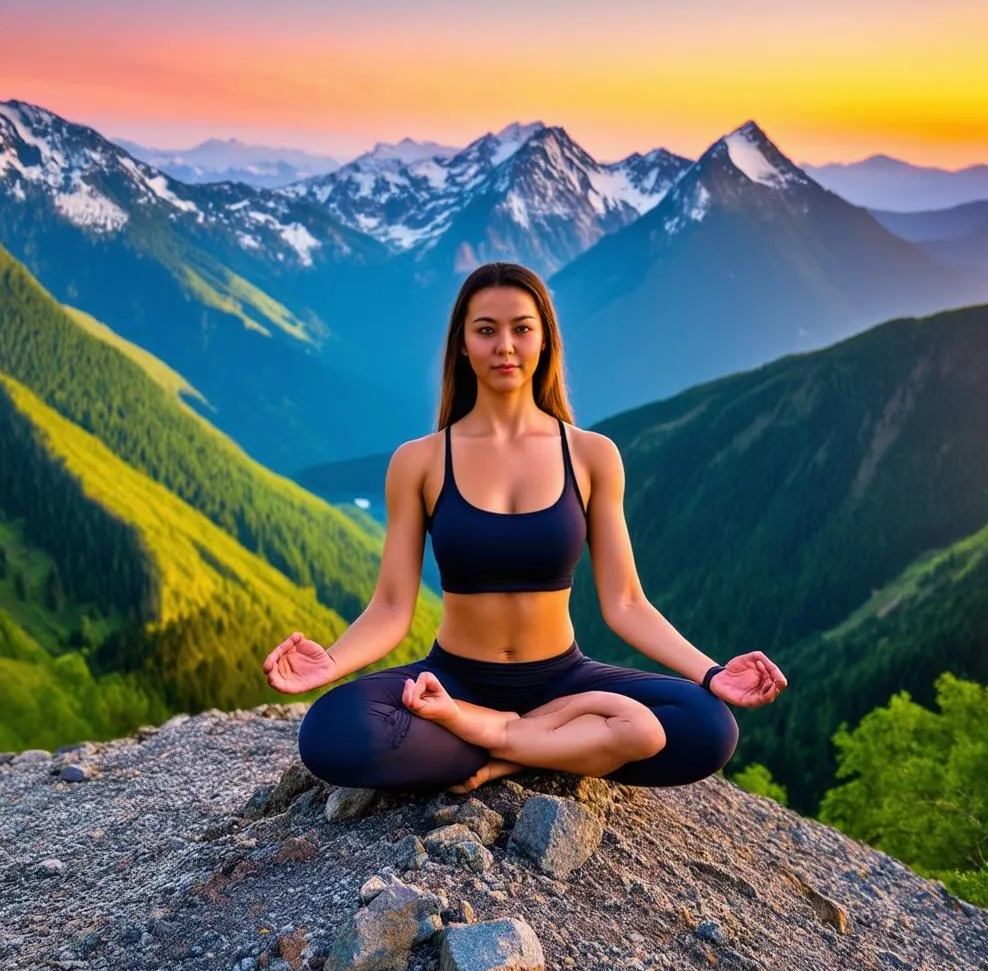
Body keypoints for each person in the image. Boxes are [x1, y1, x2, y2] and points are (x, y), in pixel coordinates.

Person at [263, 261, 787, 794]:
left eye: (521, 328)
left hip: (563, 680)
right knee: (332, 734)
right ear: (463, 346)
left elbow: (626, 602)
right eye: (486, 330)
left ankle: (505, 745)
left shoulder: (591, 455)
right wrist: (329, 663)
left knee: (707, 723)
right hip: (455, 680)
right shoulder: (419, 462)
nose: (505, 346)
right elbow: (393, 607)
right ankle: (553, 744)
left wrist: (712, 674)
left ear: (544, 341)